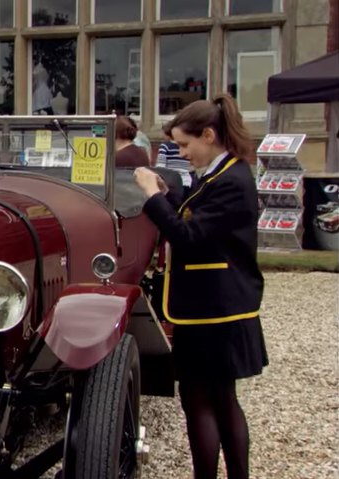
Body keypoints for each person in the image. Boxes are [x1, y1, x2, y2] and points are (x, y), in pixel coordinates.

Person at [134, 94, 267, 479]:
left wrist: (153, 196)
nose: (182, 153)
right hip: (214, 305)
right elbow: (198, 214)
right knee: (221, 399)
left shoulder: (231, 179)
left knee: (202, 401)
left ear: (209, 135)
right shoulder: (224, 174)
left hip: (214, 308)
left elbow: (189, 235)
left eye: (185, 144)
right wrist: (171, 193)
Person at [157, 121, 193, 188]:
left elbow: (161, 166)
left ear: (167, 134)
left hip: (171, 183)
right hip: (186, 181)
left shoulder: (165, 146)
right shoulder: (186, 146)